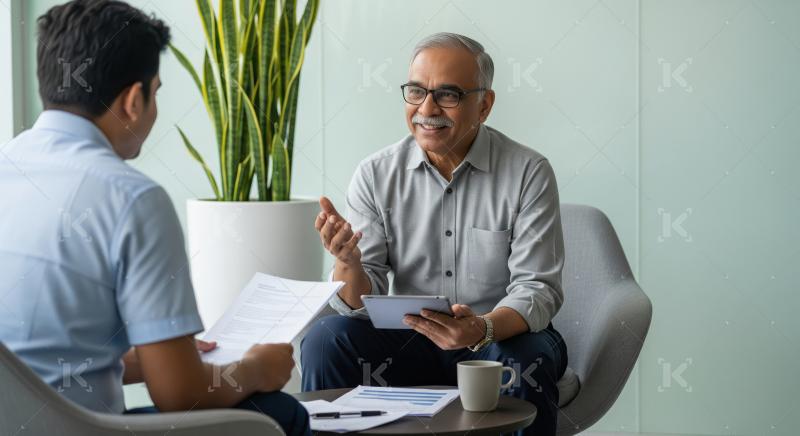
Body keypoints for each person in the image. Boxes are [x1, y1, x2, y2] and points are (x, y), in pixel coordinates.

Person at [0, 1, 308, 434]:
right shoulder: (132, 198)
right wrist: (256, 367)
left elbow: (31, 363)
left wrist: (152, 359)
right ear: (132, 100)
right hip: (80, 428)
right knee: (282, 412)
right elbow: (181, 395)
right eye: (156, 91)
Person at [301, 32, 568, 436]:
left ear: (485, 104)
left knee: (529, 354)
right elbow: (359, 298)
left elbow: (537, 289)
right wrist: (349, 263)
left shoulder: (528, 172)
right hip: (407, 341)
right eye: (416, 92)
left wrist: (482, 328)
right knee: (325, 338)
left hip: (495, 338)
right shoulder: (375, 174)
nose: (426, 109)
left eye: (448, 95)